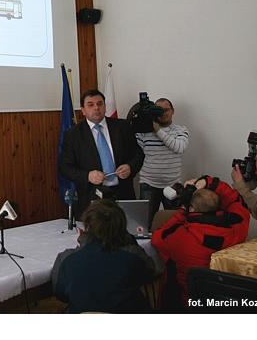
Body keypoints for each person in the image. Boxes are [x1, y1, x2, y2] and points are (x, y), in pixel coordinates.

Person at [151, 175, 250, 311]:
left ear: (192, 208)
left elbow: (157, 238)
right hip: (223, 300)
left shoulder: (181, 235)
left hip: (189, 301)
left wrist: (182, 211)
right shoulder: (236, 227)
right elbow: (235, 200)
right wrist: (210, 182)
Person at [51, 199, 159, 313]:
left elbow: (60, 293)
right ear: (122, 227)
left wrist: (84, 241)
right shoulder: (133, 256)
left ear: (87, 225)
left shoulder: (67, 259)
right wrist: (128, 239)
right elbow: (150, 272)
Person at [59, 89, 145, 217]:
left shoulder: (122, 126)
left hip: (123, 193)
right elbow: (65, 167)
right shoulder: (73, 134)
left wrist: (130, 167)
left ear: (105, 106)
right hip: (92, 197)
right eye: (90, 105)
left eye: (100, 104)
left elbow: (138, 154)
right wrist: (88, 176)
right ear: (83, 110)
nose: (96, 108)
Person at [135, 98, 190, 228]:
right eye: (159, 110)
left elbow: (179, 147)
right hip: (148, 183)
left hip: (173, 184)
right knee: (144, 224)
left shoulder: (180, 130)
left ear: (173, 111)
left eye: (166, 110)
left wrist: (158, 130)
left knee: (175, 225)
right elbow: (137, 152)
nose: (163, 113)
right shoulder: (144, 132)